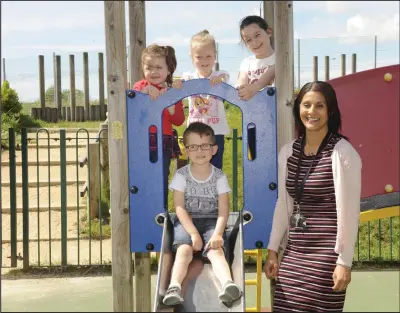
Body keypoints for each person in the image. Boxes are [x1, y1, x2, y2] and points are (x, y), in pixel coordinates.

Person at [264, 81, 362, 312]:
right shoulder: (289, 152)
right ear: (298, 109)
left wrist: (344, 262)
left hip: (327, 256)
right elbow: (284, 204)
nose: (312, 112)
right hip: (295, 253)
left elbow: (349, 213)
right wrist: (272, 250)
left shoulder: (343, 153)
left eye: (320, 106)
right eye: (306, 105)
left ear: (331, 111)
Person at [162, 122, 242, 306]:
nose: (200, 150)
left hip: (211, 221)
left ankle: (227, 284)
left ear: (214, 149)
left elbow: (224, 209)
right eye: (194, 147)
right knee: (184, 250)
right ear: (186, 150)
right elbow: (179, 208)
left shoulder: (219, 176)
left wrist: (218, 233)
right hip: (186, 222)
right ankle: (174, 285)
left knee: (216, 251)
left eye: (205, 145)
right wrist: (193, 234)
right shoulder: (181, 176)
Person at [132, 44, 185, 209]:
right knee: (142, 179)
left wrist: (170, 107)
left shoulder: (172, 92)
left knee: (160, 178)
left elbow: (179, 120)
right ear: (143, 68)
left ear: (169, 70)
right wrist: (145, 91)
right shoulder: (140, 86)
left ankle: (160, 212)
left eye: (159, 67)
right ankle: (143, 210)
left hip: (163, 142)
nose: (153, 72)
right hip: (144, 142)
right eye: (149, 67)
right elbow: (133, 105)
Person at [174, 30, 230, 170]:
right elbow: (179, 82)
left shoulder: (219, 75)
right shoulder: (189, 77)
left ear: (215, 56)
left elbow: (225, 77)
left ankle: (215, 190)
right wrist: (178, 83)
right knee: (196, 166)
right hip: (194, 132)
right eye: (199, 57)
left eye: (208, 56)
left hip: (216, 131)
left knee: (215, 166)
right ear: (192, 57)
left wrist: (219, 79)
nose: (204, 61)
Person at [236, 15, 276, 160]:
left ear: (269, 32)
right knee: (255, 160)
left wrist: (255, 87)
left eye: (257, 35)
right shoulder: (247, 63)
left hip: (275, 120)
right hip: (253, 121)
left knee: (276, 158)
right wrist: (242, 88)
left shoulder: (279, 59)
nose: (254, 42)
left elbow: (268, 75)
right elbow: (241, 83)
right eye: (248, 40)